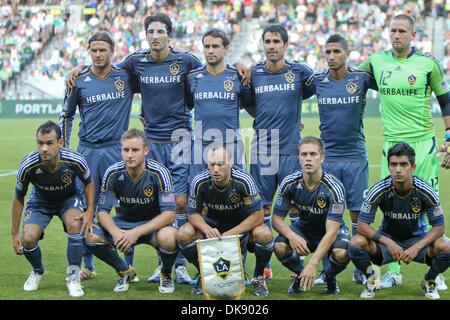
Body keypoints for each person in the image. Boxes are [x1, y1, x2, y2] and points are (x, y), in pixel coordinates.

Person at [359, 13, 450, 289]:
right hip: (391, 145)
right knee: (391, 209)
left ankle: (437, 268)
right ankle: (394, 270)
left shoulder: (428, 64)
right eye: (393, 30)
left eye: (401, 31)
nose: (396, 35)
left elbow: (445, 101)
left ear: (412, 36)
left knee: (427, 206)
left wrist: (449, 136)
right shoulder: (376, 61)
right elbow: (350, 79)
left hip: (423, 145)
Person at [60, 30, 139, 282]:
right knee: (86, 209)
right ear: (88, 52)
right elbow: (67, 115)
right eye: (93, 50)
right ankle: (89, 266)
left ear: (112, 51)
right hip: (87, 151)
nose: (97, 54)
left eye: (102, 50)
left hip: (116, 152)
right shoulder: (79, 80)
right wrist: (65, 150)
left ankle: (129, 266)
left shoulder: (125, 76)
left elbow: (151, 87)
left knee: (125, 208)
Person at [242, 24, 314, 280]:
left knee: (295, 208)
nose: (271, 45)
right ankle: (262, 268)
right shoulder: (254, 74)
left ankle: (298, 261)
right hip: (263, 152)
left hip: (290, 152)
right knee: (261, 212)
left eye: (276, 41)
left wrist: (292, 120)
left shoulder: (300, 72)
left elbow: (319, 90)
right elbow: (250, 104)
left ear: (286, 44)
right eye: (267, 41)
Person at [304, 34, 378, 285]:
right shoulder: (317, 81)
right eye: (328, 52)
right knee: (327, 215)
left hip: (356, 157)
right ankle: (326, 270)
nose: (332, 56)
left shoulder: (361, 78)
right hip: (330, 159)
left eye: (337, 51)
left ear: (348, 53)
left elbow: (392, 88)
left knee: (358, 215)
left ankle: (361, 266)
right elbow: (289, 94)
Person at [348, 142, 450, 299]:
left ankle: (430, 279)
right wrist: (388, 243)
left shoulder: (425, 191)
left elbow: (439, 227)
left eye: (403, 164)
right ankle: (371, 279)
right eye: (393, 164)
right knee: (356, 243)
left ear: (413, 167)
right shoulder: (379, 189)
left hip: (418, 240)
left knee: (447, 246)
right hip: (386, 242)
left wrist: (416, 247)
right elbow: (361, 225)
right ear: (388, 166)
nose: (398, 169)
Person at [84, 129, 179, 294]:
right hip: (124, 223)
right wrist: (115, 233)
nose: (129, 155)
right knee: (91, 236)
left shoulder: (159, 172)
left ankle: (165, 273)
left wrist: (136, 232)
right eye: (125, 150)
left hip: (153, 225)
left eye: (135, 150)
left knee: (169, 238)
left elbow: (169, 214)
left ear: (146, 151)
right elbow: (103, 211)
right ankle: (124, 270)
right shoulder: (113, 172)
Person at [11, 121, 95, 297]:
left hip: (69, 199)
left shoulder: (74, 160)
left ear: (60, 143)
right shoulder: (28, 165)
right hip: (40, 202)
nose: (44, 148)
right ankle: (37, 271)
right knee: (28, 239)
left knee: (75, 226)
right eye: (40, 143)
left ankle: (73, 278)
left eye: (49, 143)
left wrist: (89, 211)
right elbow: (18, 197)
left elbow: (88, 183)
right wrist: (14, 233)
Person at [177, 144, 274, 297]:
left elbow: (258, 215)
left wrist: (229, 234)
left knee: (264, 234)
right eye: (212, 164)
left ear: (231, 162)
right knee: (184, 233)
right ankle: (204, 274)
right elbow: (192, 213)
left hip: (241, 227)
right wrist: (207, 229)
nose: (215, 169)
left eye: (220, 164)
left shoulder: (243, 180)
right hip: (213, 227)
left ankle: (258, 277)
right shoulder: (199, 181)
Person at [273, 136, 350, 295]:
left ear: (322, 158)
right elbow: (276, 219)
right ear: (299, 158)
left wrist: (313, 263)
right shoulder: (289, 183)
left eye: (313, 154)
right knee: (280, 245)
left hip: (330, 232)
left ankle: (329, 276)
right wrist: (291, 236)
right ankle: (301, 276)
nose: (308, 158)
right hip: (305, 230)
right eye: (304, 154)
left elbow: (332, 230)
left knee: (341, 253)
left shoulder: (334, 187)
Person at [186, 28, 247, 177]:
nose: (210, 51)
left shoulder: (238, 76)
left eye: (215, 46)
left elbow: (252, 105)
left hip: (231, 145)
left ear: (226, 49)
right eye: (207, 46)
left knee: (237, 193)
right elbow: (186, 105)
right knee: (198, 194)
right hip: (201, 145)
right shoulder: (192, 77)